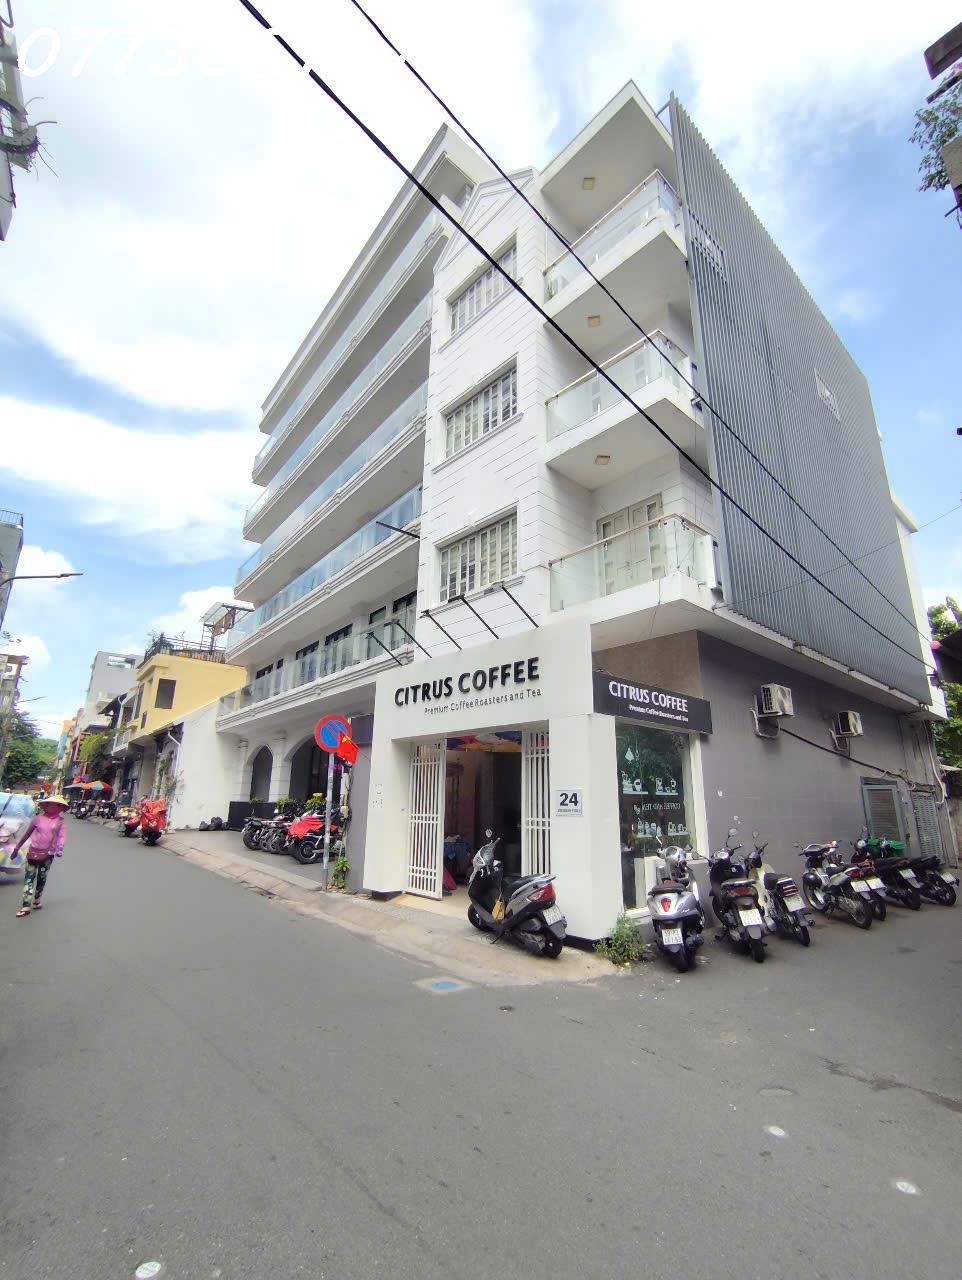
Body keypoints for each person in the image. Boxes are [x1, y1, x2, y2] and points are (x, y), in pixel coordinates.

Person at [12, 794, 69, 918]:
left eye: (58, 805)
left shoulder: (61, 821)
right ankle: (26, 905)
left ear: (60, 807)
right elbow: (26, 834)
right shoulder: (37, 819)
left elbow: (62, 836)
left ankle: (37, 899)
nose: (53, 806)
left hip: (48, 855)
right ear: (45, 805)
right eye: (50, 804)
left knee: (41, 878)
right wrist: (16, 848)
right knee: (29, 878)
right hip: (33, 852)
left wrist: (60, 848)